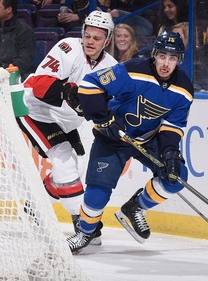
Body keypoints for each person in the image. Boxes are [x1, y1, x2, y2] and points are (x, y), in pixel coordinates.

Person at [66, 31, 194, 254]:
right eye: (162, 56)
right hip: (113, 138)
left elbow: (174, 125)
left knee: (176, 177)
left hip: (148, 138)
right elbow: (89, 86)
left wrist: (171, 152)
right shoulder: (132, 70)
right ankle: (85, 233)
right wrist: (103, 119)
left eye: (172, 58)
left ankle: (135, 208)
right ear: (154, 54)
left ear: (179, 60)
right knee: (97, 193)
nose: (166, 63)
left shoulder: (183, 88)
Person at [16, 10, 118, 245]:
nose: (91, 41)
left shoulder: (111, 67)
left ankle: (34, 208)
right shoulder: (67, 48)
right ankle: (84, 224)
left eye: (97, 38)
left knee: (72, 165)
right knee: (64, 160)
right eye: (88, 35)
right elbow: (39, 84)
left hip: (65, 120)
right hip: (35, 109)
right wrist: (65, 90)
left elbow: (113, 103)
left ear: (108, 40)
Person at [0, 0, 36, 81]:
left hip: (13, 78)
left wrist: (4, 74)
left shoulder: (24, 31)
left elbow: (24, 60)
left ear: (9, 10)